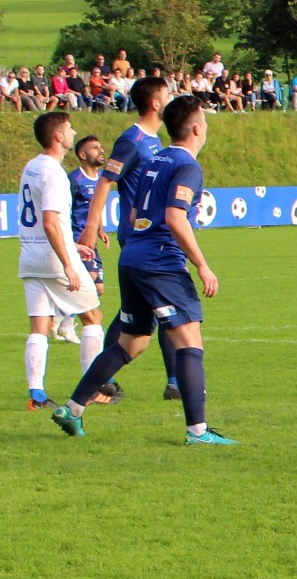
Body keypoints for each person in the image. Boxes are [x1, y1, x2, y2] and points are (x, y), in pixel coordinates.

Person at [53, 95, 235, 445]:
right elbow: (175, 217)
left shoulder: (154, 160)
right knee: (189, 343)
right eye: (205, 122)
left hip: (133, 256)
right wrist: (202, 265)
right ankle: (198, 432)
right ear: (197, 129)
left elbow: (136, 210)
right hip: (161, 261)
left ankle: (73, 409)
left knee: (131, 344)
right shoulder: (187, 166)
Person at [76, 76, 178, 402]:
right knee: (166, 307)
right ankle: (173, 383)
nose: (172, 97)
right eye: (168, 93)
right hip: (138, 236)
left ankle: (110, 379)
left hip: (152, 234)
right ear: (155, 103)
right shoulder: (132, 141)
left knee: (141, 310)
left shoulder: (155, 140)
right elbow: (105, 182)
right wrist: (91, 228)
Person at [18, 112, 103, 410]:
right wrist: (68, 261)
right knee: (92, 318)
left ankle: (36, 395)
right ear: (58, 136)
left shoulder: (32, 166)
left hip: (30, 257)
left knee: (39, 326)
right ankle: (93, 389)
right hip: (54, 260)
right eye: (69, 129)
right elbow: (50, 221)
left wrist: (72, 245)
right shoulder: (54, 173)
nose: (73, 132)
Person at [53, 134, 111, 355]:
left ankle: (59, 315)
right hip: (77, 239)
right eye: (95, 148)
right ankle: (66, 324)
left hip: (91, 239)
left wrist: (100, 229)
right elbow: (64, 210)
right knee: (92, 280)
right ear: (83, 155)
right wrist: (68, 239)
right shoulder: (74, 180)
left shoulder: (102, 179)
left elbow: (96, 207)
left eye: (100, 146)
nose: (101, 150)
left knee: (98, 288)